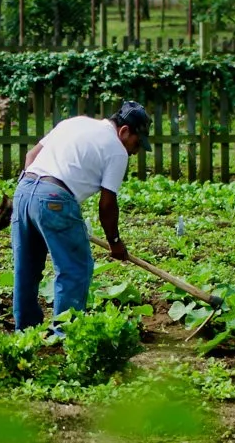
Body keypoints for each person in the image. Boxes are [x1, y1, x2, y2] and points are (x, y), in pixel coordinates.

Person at [11, 101, 151, 331]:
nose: (135, 151)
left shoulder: (74, 123)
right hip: (55, 197)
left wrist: (32, 195)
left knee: (26, 267)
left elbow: (31, 156)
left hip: (24, 190)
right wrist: (115, 242)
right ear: (124, 131)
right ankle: (65, 335)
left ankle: (25, 333)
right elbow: (107, 205)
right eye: (137, 143)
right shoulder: (116, 150)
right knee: (75, 268)